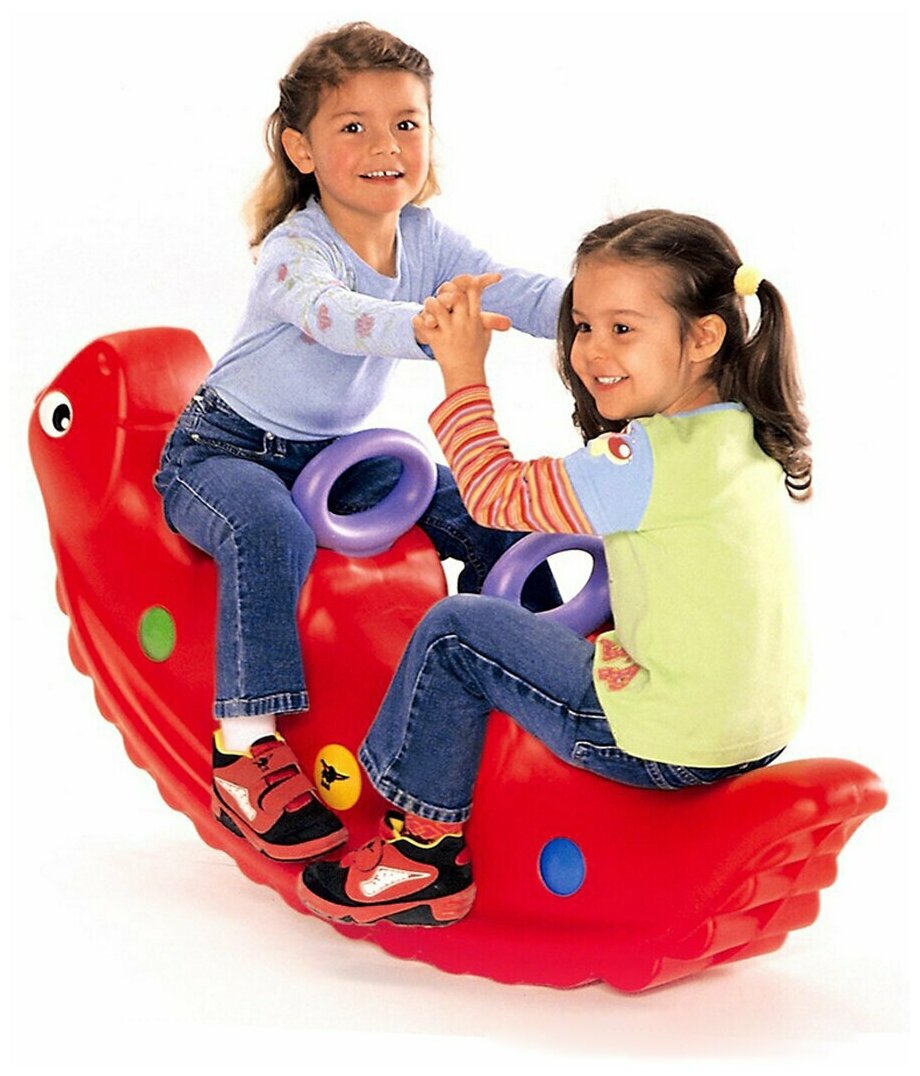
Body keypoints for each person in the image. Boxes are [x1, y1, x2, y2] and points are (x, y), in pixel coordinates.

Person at [297, 209, 813, 927]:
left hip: (670, 740)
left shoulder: (642, 459)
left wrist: (461, 369)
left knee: (454, 631)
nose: (592, 351)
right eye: (584, 326)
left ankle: (422, 853)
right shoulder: (743, 428)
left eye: (623, 328)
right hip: (757, 729)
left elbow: (492, 497)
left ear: (704, 336)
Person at [153, 22, 563, 863]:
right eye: (354, 126)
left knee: (485, 510)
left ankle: (553, 661)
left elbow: (510, 289)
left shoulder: (427, 239)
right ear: (301, 149)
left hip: (331, 453)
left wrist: (604, 313)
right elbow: (333, 317)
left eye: (406, 123)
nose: (387, 146)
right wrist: (428, 327)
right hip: (223, 448)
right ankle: (244, 749)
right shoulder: (295, 248)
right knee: (267, 528)